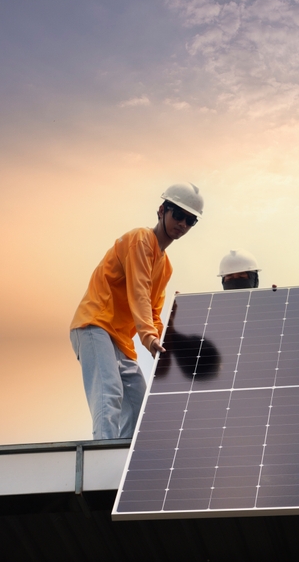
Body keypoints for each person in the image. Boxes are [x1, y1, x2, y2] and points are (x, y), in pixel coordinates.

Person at [70, 183, 204, 439]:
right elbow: (139, 291)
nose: (182, 224)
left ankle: (122, 465)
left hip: (120, 338)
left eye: (190, 220)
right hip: (94, 324)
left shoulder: (165, 267)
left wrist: (164, 347)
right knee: (108, 392)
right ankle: (103, 457)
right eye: (178, 215)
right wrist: (148, 337)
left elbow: (153, 310)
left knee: (136, 400)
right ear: (162, 210)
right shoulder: (140, 240)